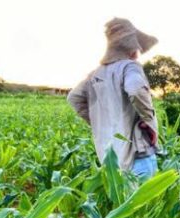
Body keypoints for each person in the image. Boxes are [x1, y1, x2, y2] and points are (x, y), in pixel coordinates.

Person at [68, 18, 160, 180]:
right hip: (137, 157)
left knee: (122, 204)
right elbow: (135, 88)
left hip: (111, 161)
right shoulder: (129, 66)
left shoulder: (96, 74)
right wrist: (148, 118)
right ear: (133, 48)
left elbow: (74, 97)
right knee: (147, 204)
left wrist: (100, 121)